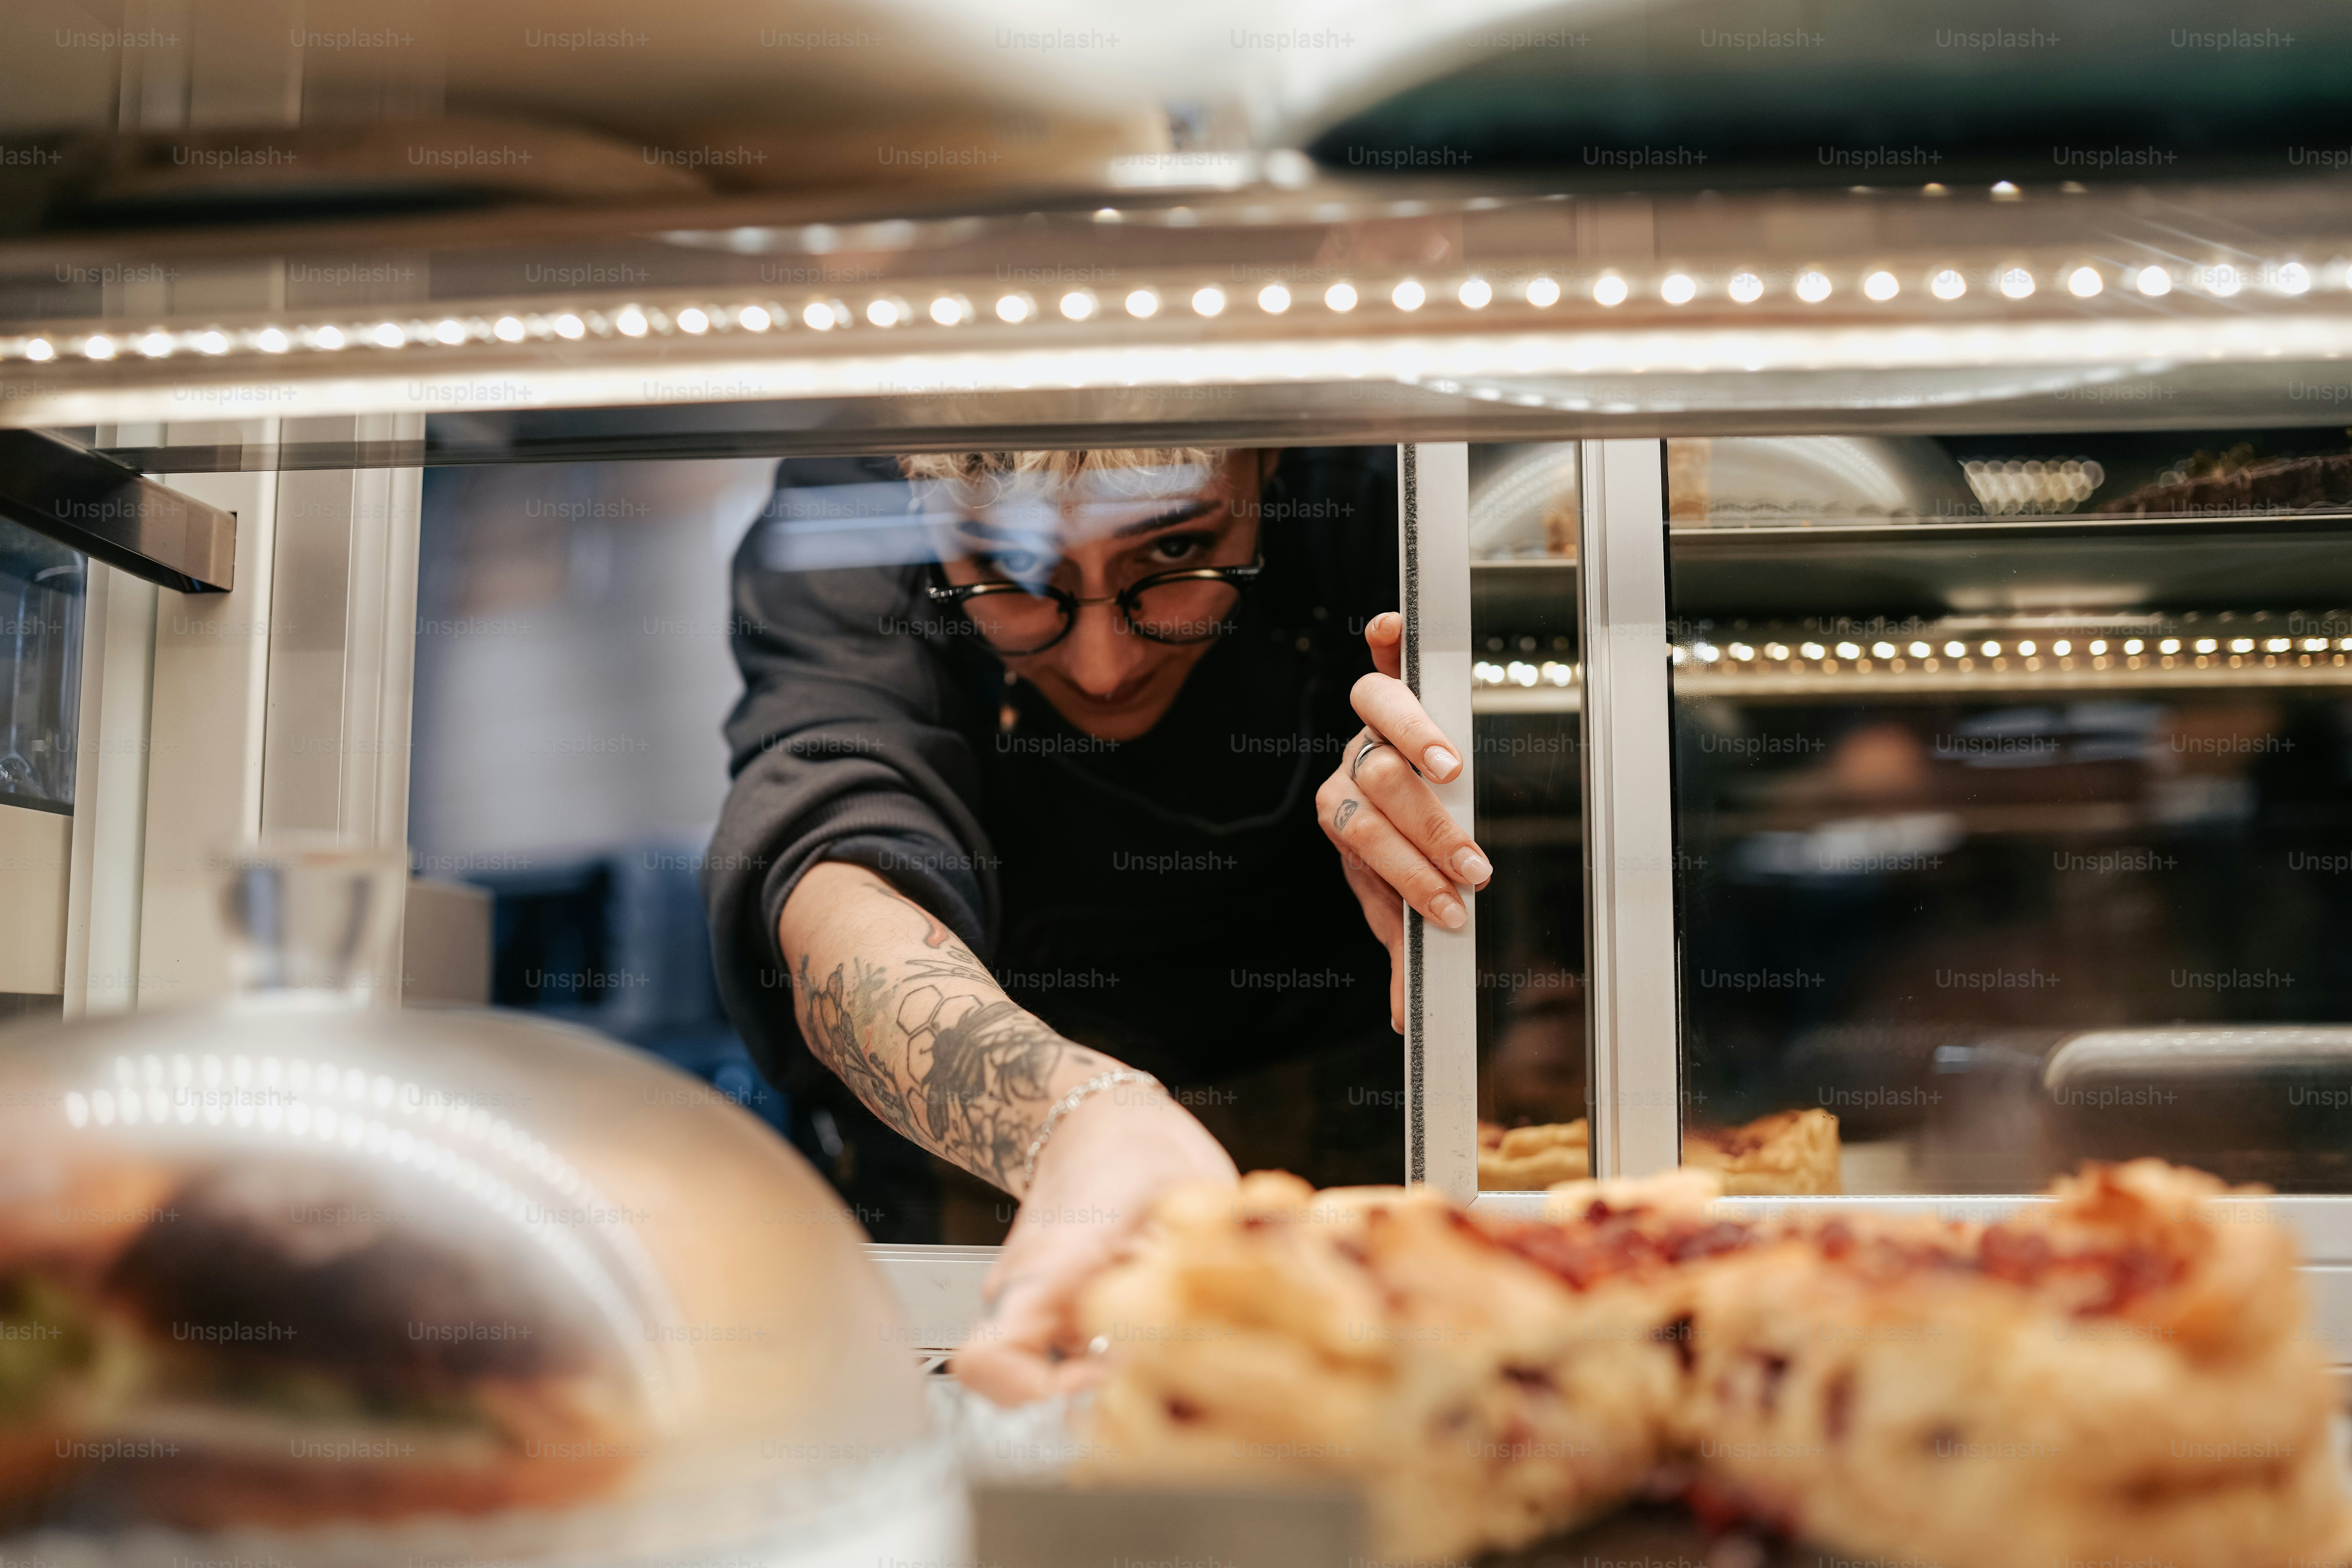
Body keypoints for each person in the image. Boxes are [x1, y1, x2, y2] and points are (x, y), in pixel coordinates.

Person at [701, 445, 1492, 1403]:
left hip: (1366, 1158)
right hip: (977, 1202)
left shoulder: (1380, 468)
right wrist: (1068, 1120)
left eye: (1173, 553)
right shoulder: (851, 501)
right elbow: (829, 855)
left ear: (1272, 458)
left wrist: (1458, 795)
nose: (1101, 665)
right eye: (1013, 574)